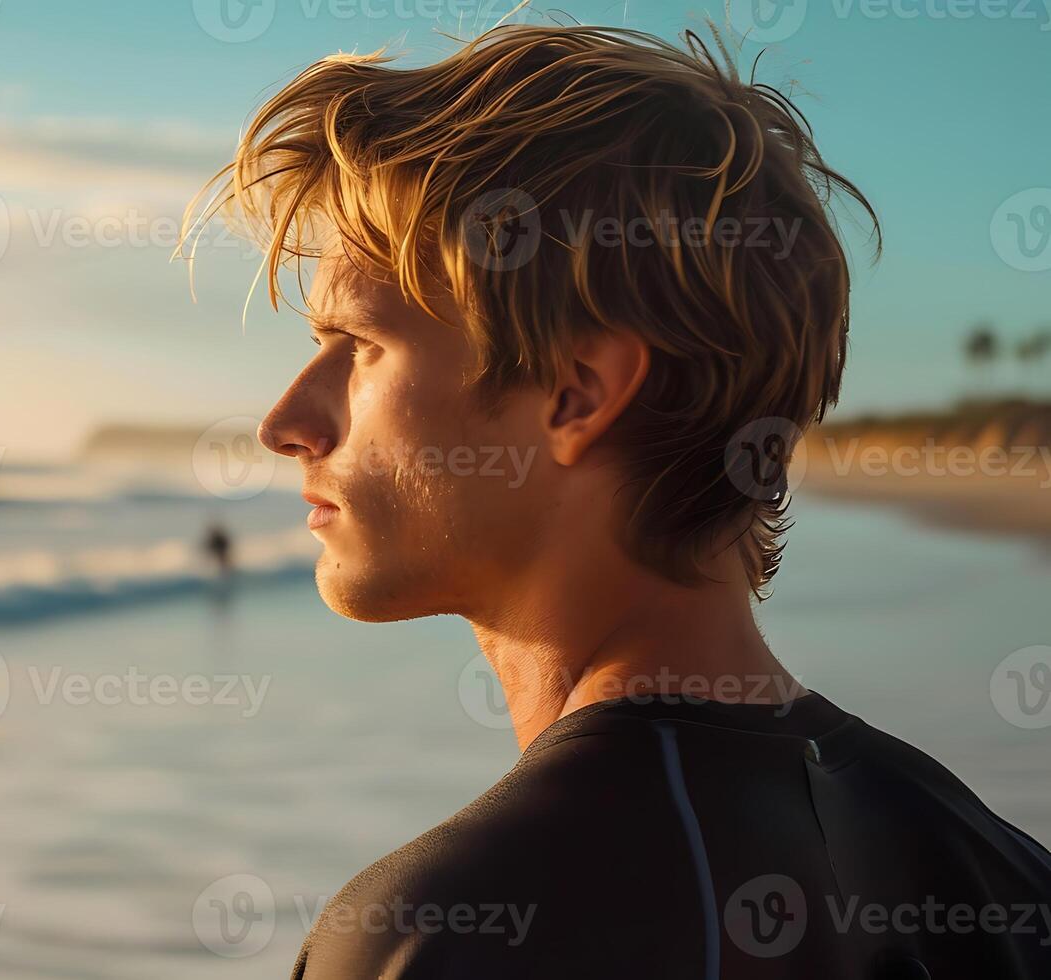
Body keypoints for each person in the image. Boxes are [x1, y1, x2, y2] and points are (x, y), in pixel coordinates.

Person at [182, 23, 1051, 979]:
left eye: (362, 343)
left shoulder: (447, 937)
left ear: (576, 394)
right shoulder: (1004, 881)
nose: (286, 419)